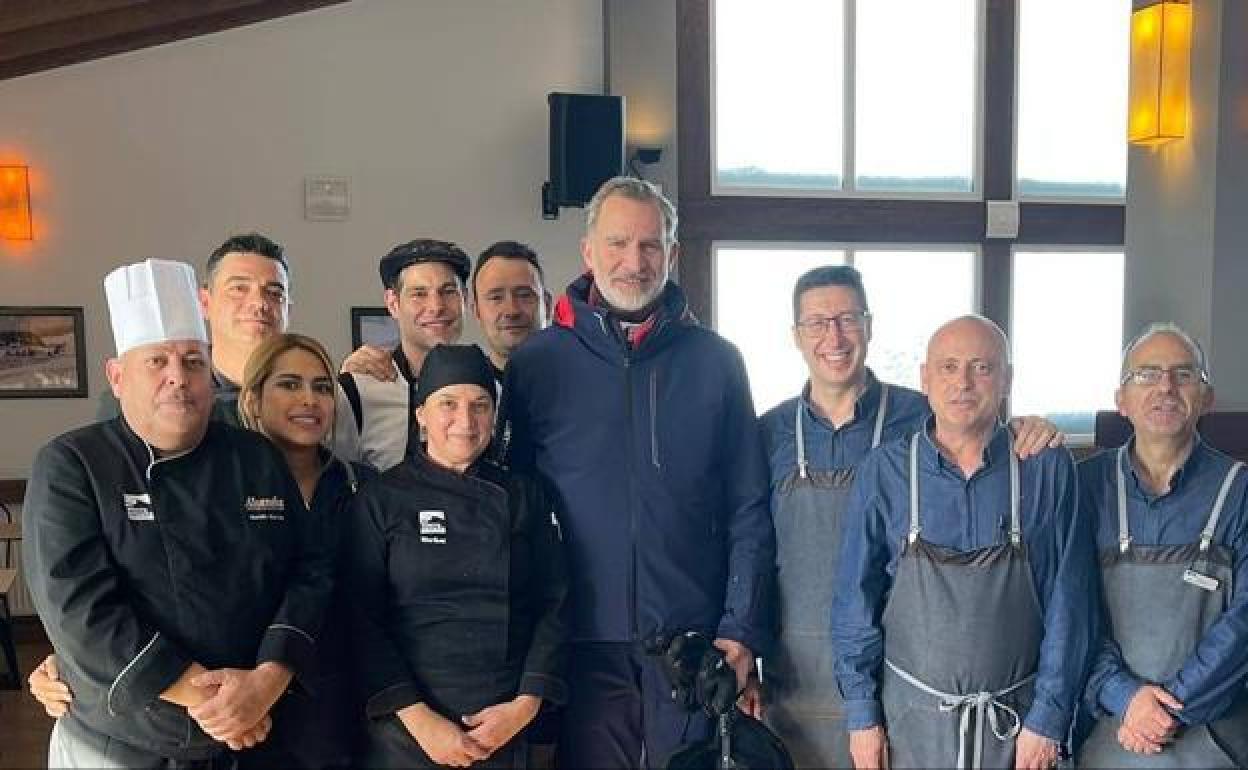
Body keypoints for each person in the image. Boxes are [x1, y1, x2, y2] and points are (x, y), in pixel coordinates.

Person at [500, 176, 775, 768]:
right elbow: (508, 509)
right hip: (576, 640)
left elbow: (748, 507)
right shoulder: (537, 365)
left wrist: (741, 629)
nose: (634, 261)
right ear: (588, 252)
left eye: (650, 246)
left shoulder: (716, 362)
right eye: (618, 243)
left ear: (672, 254)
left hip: (694, 641)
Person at [23, 259, 333, 768]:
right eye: (157, 362)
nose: (178, 378)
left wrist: (267, 680)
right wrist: (217, 699)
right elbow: (79, 612)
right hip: (122, 745)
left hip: (256, 736)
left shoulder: (255, 458)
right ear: (117, 377)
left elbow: (310, 572)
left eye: (192, 361)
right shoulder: (73, 464)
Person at [760, 268, 1059, 768]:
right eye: (816, 322)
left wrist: (1033, 427)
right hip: (796, 679)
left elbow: (982, 430)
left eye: (847, 319)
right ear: (796, 336)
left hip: (901, 691)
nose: (833, 336)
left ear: (869, 326)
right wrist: (745, 649)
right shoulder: (766, 433)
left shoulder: (922, 412)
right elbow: (746, 545)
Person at [831, 315, 1096, 770]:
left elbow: (1070, 602)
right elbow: (855, 602)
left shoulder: (1047, 469)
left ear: (1007, 379)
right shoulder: (885, 471)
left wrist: (1048, 720)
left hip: (1017, 730)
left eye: (983, 368)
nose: (964, 384)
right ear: (925, 378)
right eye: (949, 367)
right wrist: (861, 717)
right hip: (907, 726)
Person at [344, 344, 568, 768]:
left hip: (503, 724)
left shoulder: (526, 495)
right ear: (421, 416)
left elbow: (554, 603)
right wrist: (419, 720)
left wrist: (524, 706)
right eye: (448, 404)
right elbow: (360, 618)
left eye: (480, 405)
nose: (465, 421)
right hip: (406, 729)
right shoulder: (382, 499)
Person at [1077, 323, 1248, 768]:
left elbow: (1244, 621)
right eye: (1147, 374)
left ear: (1207, 397)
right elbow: (1070, 612)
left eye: (1183, 374)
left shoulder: (1241, 491)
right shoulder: (1083, 487)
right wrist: (1124, 696)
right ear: (1121, 400)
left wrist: (1169, 707)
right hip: (1110, 733)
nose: (1166, 388)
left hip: (1217, 740)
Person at [335, 239, 470, 471]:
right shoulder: (356, 391)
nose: (436, 306)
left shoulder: (489, 390)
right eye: (419, 294)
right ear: (393, 303)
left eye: (448, 292)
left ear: (465, 299)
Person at [470, 240, 551, 381]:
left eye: (524, 295)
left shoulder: (586, 381)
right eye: (496, 298)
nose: (511, 311)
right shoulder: (462, 394)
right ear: (477, 311)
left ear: (548, 305)